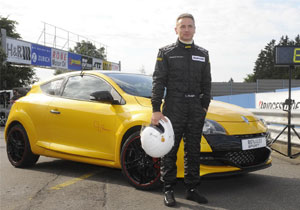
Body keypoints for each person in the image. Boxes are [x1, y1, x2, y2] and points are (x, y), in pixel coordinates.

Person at [151, 13, 211, 207]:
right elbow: (158, 81)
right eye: (182, 26)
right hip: (173, 107)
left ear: (195, 29)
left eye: (190, 26)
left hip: (195, 108)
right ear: (176, 30)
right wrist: (155, 108)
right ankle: (168, 189)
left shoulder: (203, 54)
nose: (186, 29)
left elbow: (206, 83)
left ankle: (192, 189)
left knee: (193, 150)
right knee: (170, 150)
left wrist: (204, 106)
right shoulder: (166, 52)